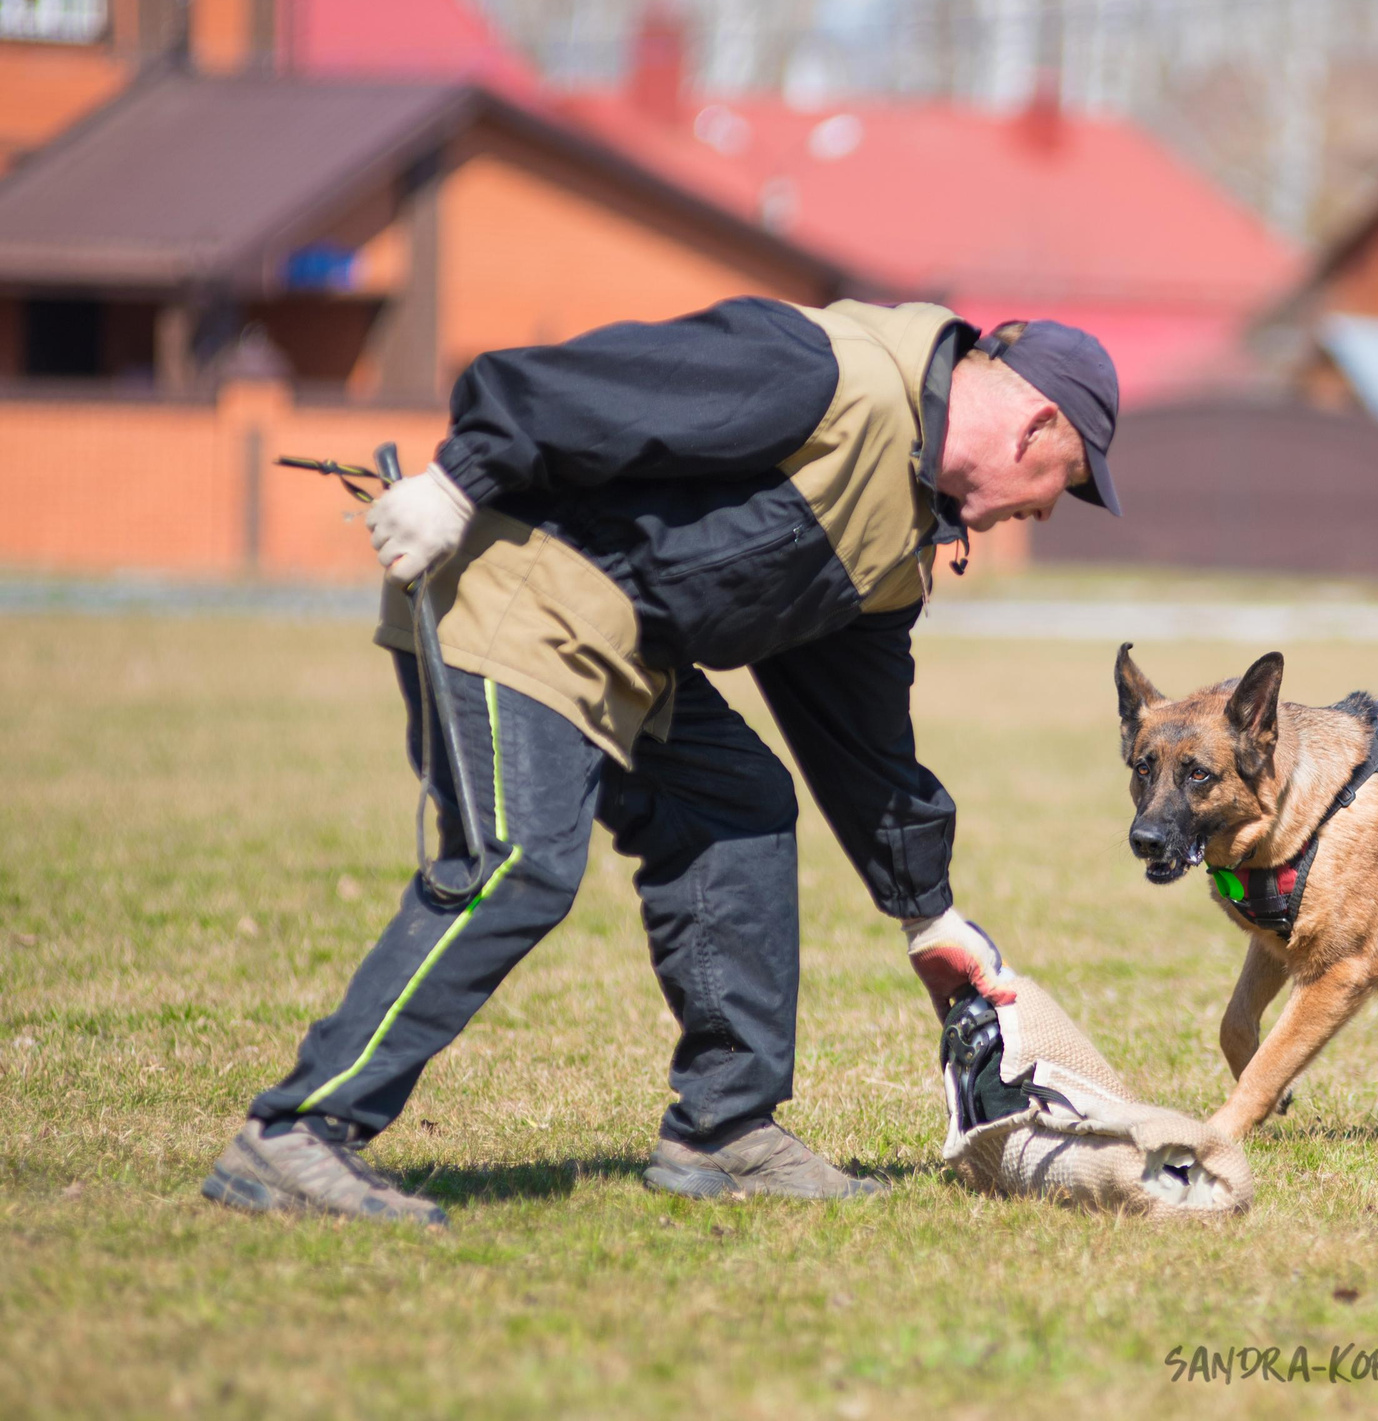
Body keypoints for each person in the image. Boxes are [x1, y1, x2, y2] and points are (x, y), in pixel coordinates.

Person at [202, 297, 1120, 1226]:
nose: (1045, 507)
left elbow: (861, 734)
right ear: (1037, 423)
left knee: (740, 802)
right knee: (518, 864)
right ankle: (299, 1134)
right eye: (1063, 480)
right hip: (516, 590)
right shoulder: (830, 373)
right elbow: (588, 387)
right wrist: (458, 481)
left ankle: (725, 1133)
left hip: (627, 654)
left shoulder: (901, 528)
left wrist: (929, 915)